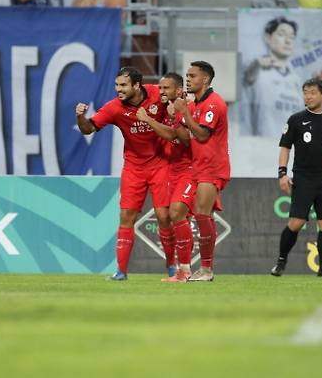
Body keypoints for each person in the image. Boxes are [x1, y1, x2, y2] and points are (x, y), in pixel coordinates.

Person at [75, 67, 172, 281]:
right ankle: (121, 271)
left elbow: (176, 95)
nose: (118, 89)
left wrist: (175, 108)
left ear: (136, 86)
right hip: (134, 167)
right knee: (126, 216)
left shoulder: (157, 93)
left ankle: (172, 266)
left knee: (164, 216)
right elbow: (88, 129)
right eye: (117, 85)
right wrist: (81, 117)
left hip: (161, 164)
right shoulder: (114, 108)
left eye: (123, 85)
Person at [270, 77, 322, 278]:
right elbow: (285, 148)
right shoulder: (296, 120)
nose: (308, 96)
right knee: (296, 222)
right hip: (303, 178)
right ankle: (281, 262)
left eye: (312, 92)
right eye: (305, 92)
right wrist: (282, 173)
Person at [172, 61, 230, 282]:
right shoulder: (195, 104)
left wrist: (184, 111)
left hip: (213, 167)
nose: (188, 79)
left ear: (205, 79)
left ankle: (206, 269)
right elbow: (187, 137)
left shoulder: (214, 104)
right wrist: (180, 116)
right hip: (198, 166)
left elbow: (203, 135)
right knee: (195, 214)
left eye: (192, 76)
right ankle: (197, 268)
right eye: (187, 75)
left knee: (202, 214)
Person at [135, 73, 195, 283]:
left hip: (191, 169)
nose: (161, 92)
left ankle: (189, 270)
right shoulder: (166, 108)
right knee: (174, 218)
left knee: (178, 213)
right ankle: (183, 269)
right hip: (171, 170)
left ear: (178, 91)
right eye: (159, 89)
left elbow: (181, 138)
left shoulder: (186, 107)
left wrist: (148, 120)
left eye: (166, 89)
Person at [240, 16, 303, 138]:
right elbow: (248, 75)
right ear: (268, 38)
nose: (288, 41)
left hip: (292, 146)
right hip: (264, 144)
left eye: (292, 37)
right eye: (281, 35)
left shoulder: (296, 79)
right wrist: (257, 64)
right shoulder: (256, 68)